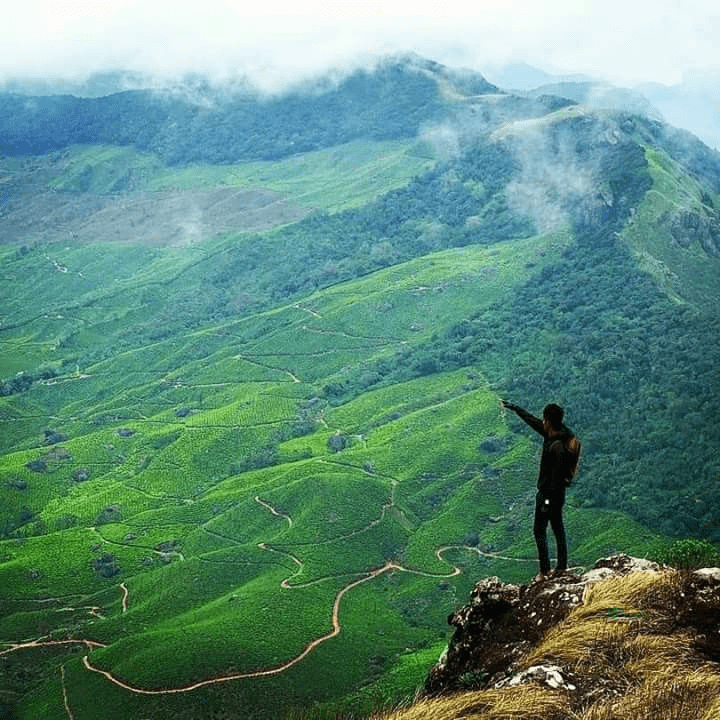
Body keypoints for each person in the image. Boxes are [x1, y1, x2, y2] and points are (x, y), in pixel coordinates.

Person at [501, 400, 580, 579]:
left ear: (549, 421)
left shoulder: (556, 447)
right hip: (558, 495)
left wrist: (546, 502)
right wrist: (515, 408)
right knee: (558, 529)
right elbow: (533, 422)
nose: (542, 422)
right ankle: (561, 567)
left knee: (539, 530)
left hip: (549, 494)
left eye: (544, 419)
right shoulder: (558, 434)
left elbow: (556, 479)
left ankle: (545, 571)